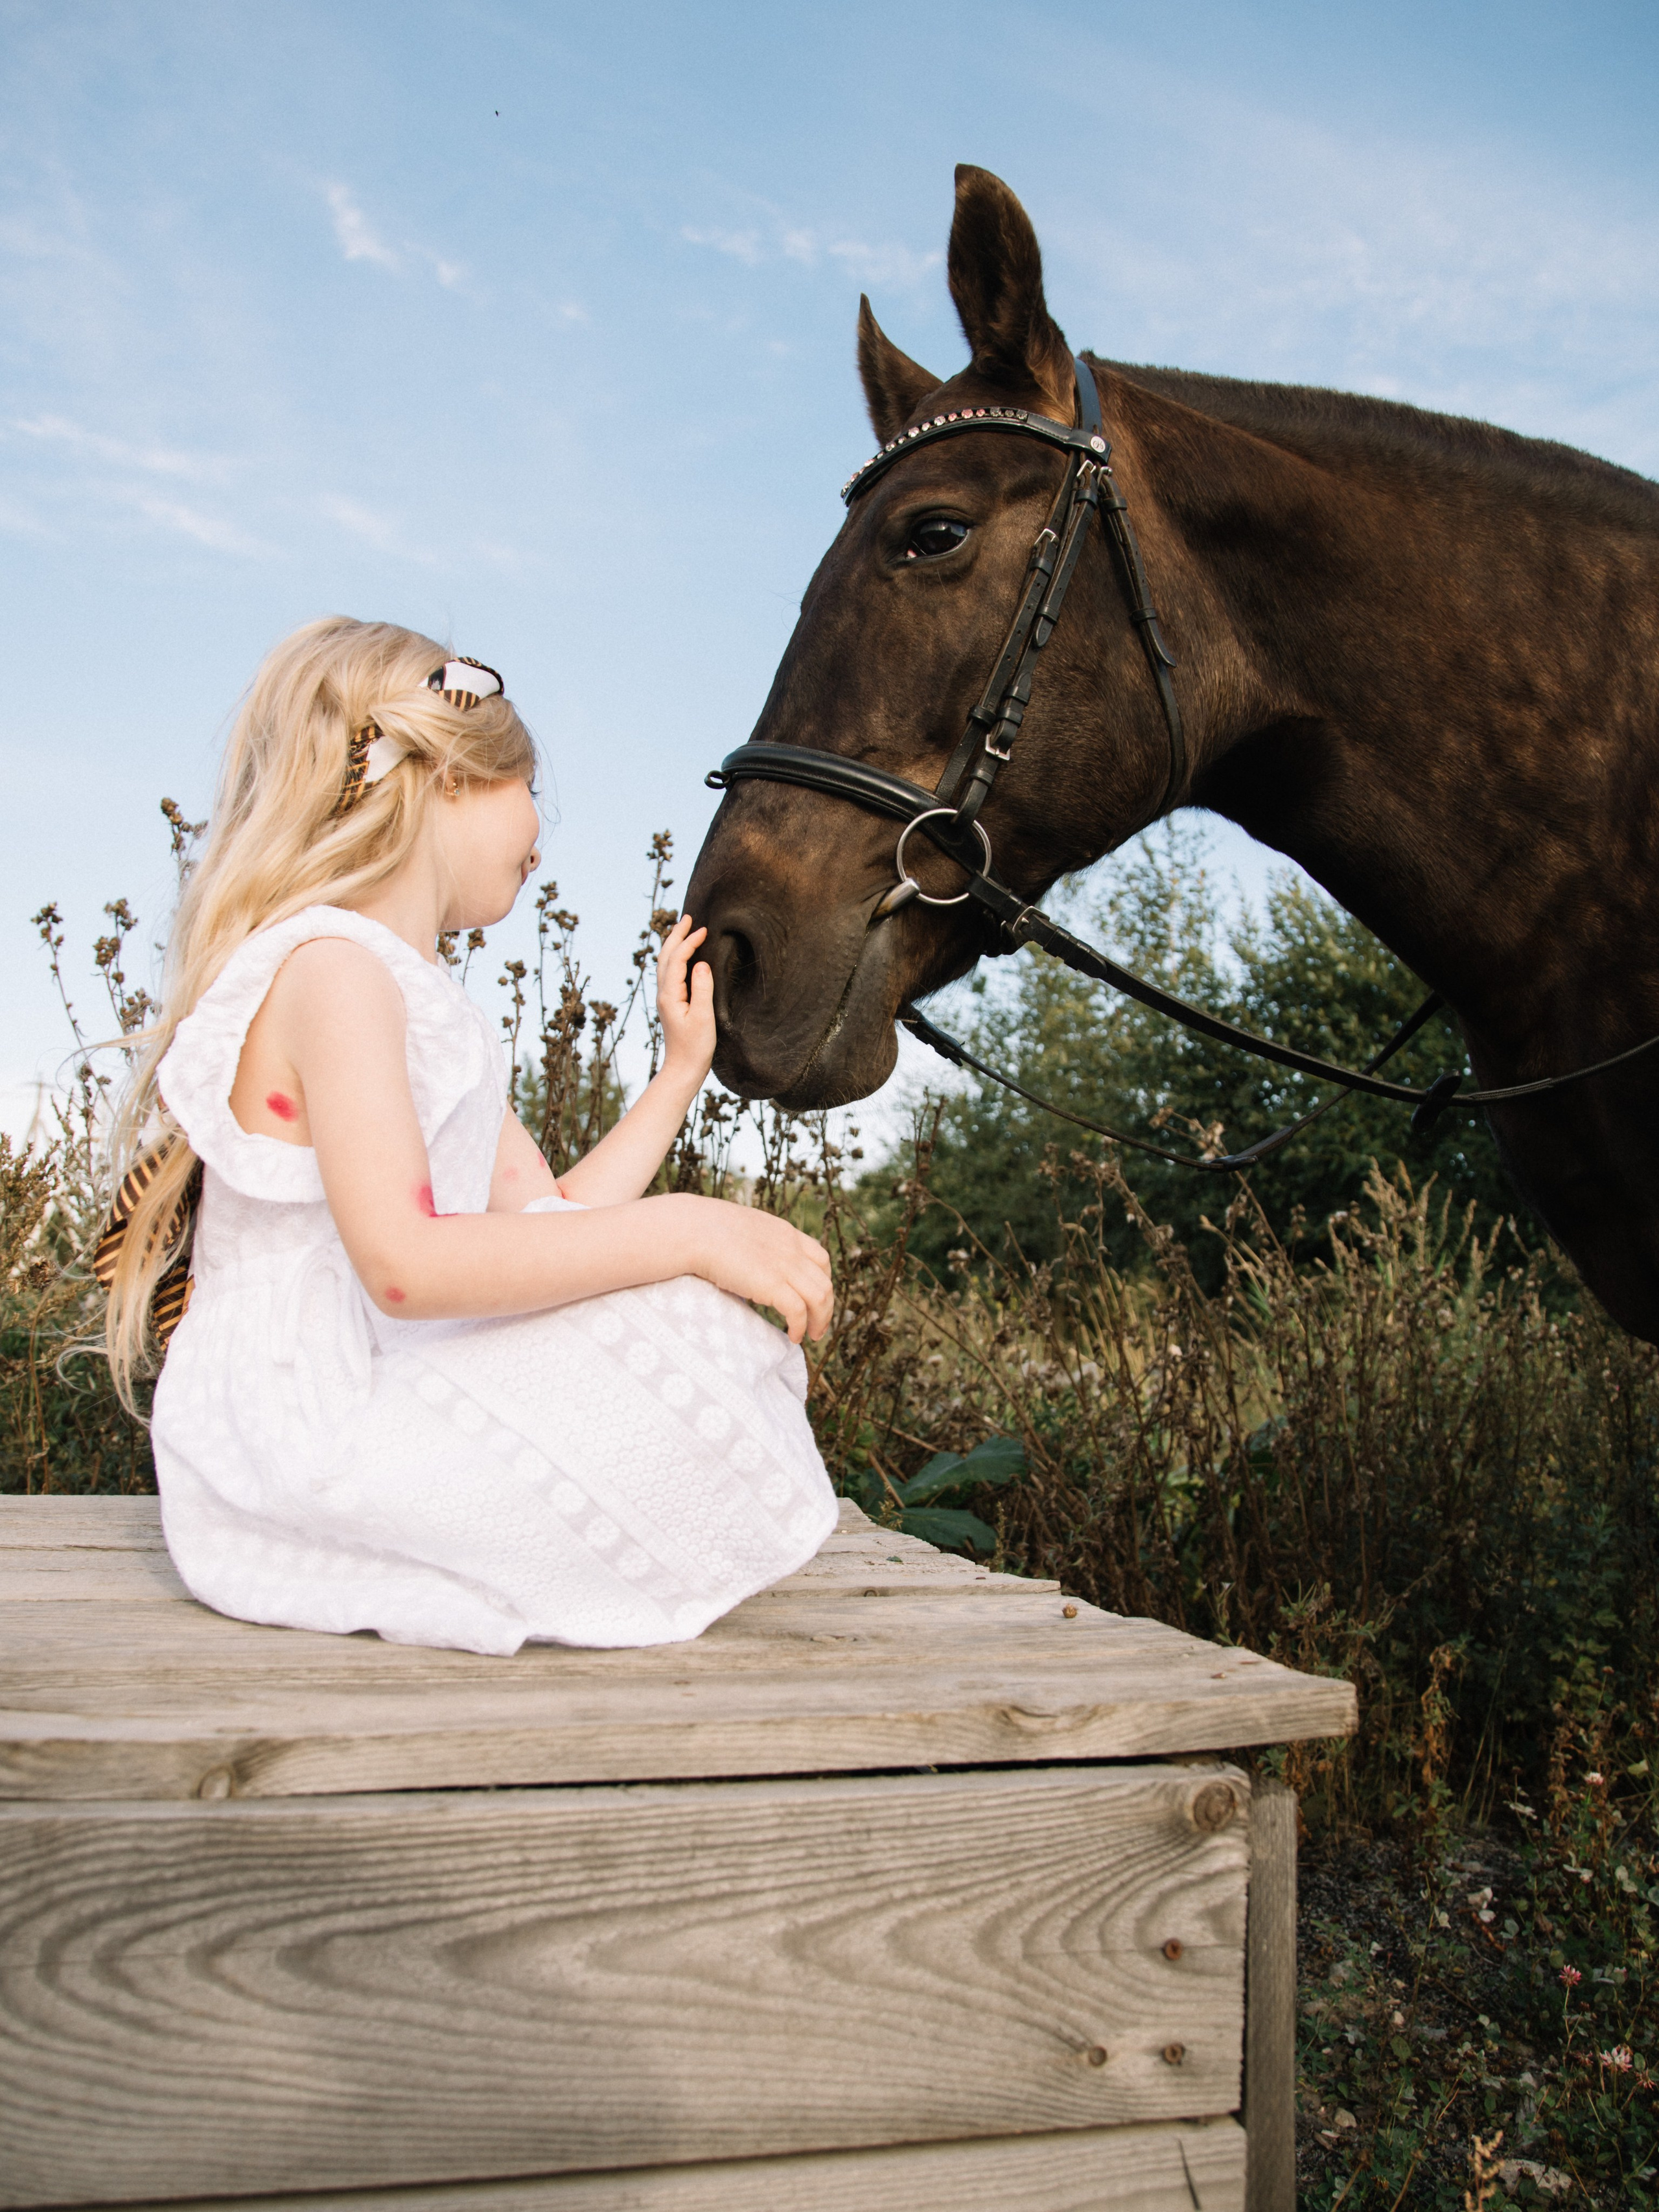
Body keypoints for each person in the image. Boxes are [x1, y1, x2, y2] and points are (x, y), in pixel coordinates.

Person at [102, 615, 837, 1655]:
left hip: (369, 1385)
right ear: (447, 776)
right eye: (528, 785)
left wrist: (677, 1076)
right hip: (303, 1437)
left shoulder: (409, 997)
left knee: (680, 1310)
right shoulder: (333, 973)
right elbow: (406, 1266)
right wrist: (689, 1228)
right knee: (680, 1303)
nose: (542, 827)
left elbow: (549, 1220)